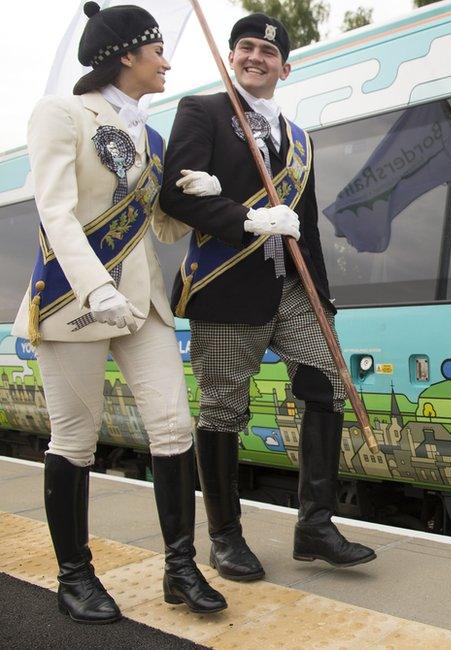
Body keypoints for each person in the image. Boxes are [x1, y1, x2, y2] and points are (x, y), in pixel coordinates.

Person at [10, 3, 226, 623]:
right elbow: (54, 211)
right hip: (74, 301)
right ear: (126, 54)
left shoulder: (150, 137)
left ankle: (180, 568)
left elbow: (158, 227)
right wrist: (94, 287)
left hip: (142, 302)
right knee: (75, 440)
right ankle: (75, 576)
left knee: (173, 427)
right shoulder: (61, 113)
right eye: (157, 51)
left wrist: (193, 197)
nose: (167, 62)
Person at [159, 13, 375, 582]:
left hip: (293, 287)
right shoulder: (203, 112)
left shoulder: (300, 139)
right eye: (246, 47)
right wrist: (247, 218)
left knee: (327, 387)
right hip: (227, 282)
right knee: (224, 407)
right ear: (232, 56)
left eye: (268, 52)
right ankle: (225, 538)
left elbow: (307, 224)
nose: (256, 57)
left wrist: (322, 297)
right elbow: (176, 196)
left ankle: (316, 527)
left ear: (286, 67)